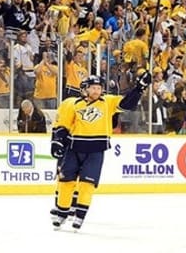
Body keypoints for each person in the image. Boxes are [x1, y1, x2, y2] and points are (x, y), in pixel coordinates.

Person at [50, 72, 151, 230]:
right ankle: (62, 212)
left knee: (87, 183)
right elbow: (63, 125)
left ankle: (80, 215)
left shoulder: (107, 102)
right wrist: (56, 142)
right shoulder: (72, 104)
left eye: (99, 88)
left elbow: (126, 104)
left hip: (96, 149)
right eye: (93, 88)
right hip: (74, 147)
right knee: (65, 180)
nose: (97, 91)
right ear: (85, 89)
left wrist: (139, 88)